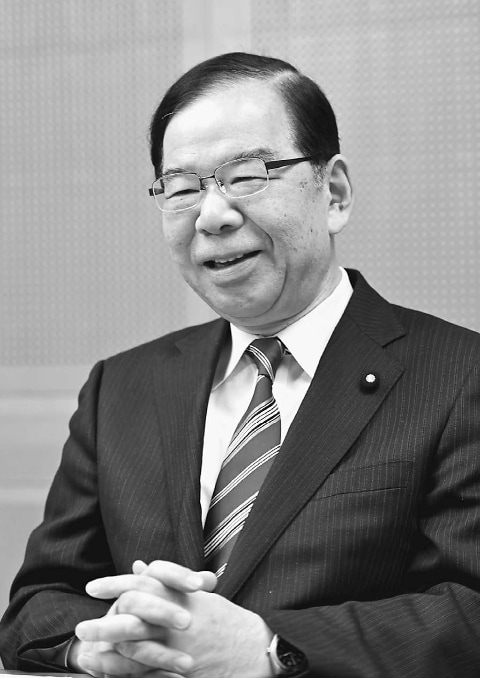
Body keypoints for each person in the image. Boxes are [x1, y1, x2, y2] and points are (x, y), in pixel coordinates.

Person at [1, 52, 480, 678]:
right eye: (181, 188)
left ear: (333, 194)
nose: (212, 216)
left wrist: (268, 647)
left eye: (247, 176)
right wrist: (98, 643)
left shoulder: (459, 376)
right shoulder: (121, 387)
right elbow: (38, 602)